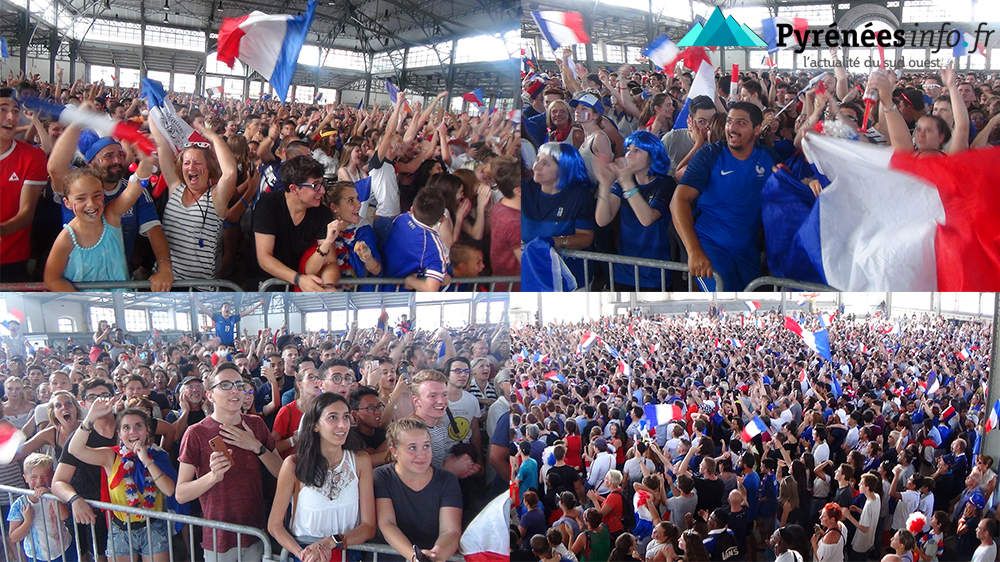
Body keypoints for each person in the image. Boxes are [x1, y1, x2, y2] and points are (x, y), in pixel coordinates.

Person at [47, 109, 173, 290]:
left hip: (118, 288)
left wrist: (165, 267)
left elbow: (137, 189)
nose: (117, 160)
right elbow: (55, 169)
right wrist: (79, 121)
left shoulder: (113, 213)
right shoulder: (75, 189)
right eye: (108, 156)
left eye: (121, 154)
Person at [176, 362, 281, 562]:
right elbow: (181, 494)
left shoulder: (256, 424)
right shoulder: (196, 433)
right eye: (225, 385)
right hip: (219, 536)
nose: (235, 390)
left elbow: (281, 472)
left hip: (255, 532)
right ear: (209, 394)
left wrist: (256, 446)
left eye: (239, 385)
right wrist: (212, 477)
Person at [670, 101, 775, 291]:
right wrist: (694, 251)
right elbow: (678, 200)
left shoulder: (768, 157)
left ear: (757, 129)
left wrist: (809, 183)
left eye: (741, 123)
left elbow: (791, 184)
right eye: (729, 121)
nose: (732, 128)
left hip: (747, 254)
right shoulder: (710, 155)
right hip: (710, 251)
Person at [267, 392, 376, 562]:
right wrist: (302, 554)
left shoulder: (360, 461)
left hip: (348, 554)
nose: (342, 425)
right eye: (333, 417)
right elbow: (274, 525)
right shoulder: (294, 465)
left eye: (346, 417)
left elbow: (368, 527)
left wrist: (331, 542)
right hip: (305, 554)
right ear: (315, 425)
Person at [67, 403, 176, 562]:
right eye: (126, 428)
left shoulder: (159, 456)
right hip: (121, 530)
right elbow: (75, 449)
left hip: (154, 528)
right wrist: (90, 418)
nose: (132, 432)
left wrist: (147, 461)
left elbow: (169, 490)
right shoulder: (111, 456)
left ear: (147, 430)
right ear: (119, 433)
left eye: (138, 426)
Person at [43, 155, 155, 290]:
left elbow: (133, 189)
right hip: (84, 308)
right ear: (67, 203)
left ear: (104, 195)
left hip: (120, 305)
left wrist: (148, 156)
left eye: (97, 195)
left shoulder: (111, 216)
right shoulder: (66, 238)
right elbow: (52, 279)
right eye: (81, 198)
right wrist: (82, 305)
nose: (91, 204)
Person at [151, 121, 237, 282]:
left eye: (197, 163)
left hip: (198, 290)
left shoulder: (216, 197)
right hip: (166, 283)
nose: (191, 167)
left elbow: (230, 172)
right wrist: (153, 110)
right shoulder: (175, 188)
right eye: (187, 162)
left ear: (209, 167)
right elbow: (162, 145)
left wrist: (211, 135)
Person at [593, 130, 676, 290]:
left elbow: (647, 219)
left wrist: (626, 182)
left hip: (655, 271)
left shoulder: (665, 184)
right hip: (625, 269)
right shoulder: (622, 184)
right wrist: (604, 184)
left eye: (636, 151)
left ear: (652, 155)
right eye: (628, 150)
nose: (629, 155)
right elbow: (602, 220)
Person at [373, 418, 462, 562]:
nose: (422, 454)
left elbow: (450, 530)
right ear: (394, 451)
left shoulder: (447, 480)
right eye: (412, 447)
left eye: (426, 446)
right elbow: (387, 523)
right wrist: (415, 557)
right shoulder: (382, 476)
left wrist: (435, 556)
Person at [253, 155, 334, 291]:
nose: (322, 191)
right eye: (316, 186)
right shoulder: (268, 205)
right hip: (265, 286)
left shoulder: (322, 213)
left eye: (323, 184)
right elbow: (264, 257)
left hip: (302, 288)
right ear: (294, 188)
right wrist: (298, 279)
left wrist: (328, 286)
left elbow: (330, 261)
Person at [522, 142, 595, 287]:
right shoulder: (525, 190)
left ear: (564, 169)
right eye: (537, 160)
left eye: (546, 164)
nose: (536, 167)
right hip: (533, 273)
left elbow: (586, 237)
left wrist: (554, 241)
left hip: (570, 277)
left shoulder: (579, 196)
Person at [0, 87, 49, 281]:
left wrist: (2, 230)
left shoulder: (32, 157)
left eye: (15, 110)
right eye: (3, 109)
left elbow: (26, 213)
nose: (11, 117)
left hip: (11, 260)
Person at [305, 180, 382, 286]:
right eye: (351, 200)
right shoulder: (321, 230)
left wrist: (368, 258)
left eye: (357, 198)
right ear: (334, 207)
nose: (359, 204)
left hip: (357, 295)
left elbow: (377, 271)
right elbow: (309, 270)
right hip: (327, 292)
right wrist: (328, 241)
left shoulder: (364, 230)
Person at [7, 453, 75, 562]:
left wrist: (52, 496)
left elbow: (64, 516)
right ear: (25, 478)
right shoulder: (20, 505)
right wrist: (27, 521)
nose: (39, 481)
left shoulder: (55, 495)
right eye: (34, 477)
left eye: (45, 476)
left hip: (63, 549)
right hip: (36, 556)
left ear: (52, 476)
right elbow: (13, 537)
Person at [382, 187, 450, 291]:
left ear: (412, 208)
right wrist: (410, 281)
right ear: (442, 218)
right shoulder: (433, 246)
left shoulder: (400, 219)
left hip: (376, 283)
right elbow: (431, 289)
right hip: (399, 296)